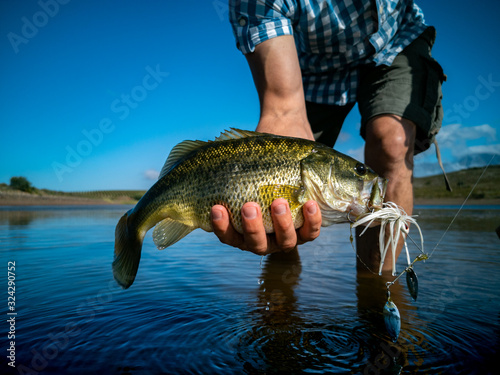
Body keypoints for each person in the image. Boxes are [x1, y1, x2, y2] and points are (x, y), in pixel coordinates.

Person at [210, 0, 445, 273]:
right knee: (280, 192)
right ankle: (280, 298)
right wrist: (284, 116)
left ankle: (379, 290)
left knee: (392, 143)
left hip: (396, 41)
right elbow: (283, 109)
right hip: (310, 66)